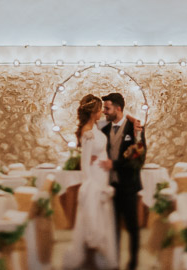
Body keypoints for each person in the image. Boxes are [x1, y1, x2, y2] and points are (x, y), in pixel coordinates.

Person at [61, 94, 118, 270]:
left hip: (102, 176)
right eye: (100, 109)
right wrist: (88, 185)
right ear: (94, 112)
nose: (102, 111)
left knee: (101, 215)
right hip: (93, 178)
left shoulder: (96, 127)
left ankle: (99, 255)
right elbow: (85, 162)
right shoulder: (87, 132)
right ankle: (90, 255)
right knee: (92, 217)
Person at [101, 92, 146, 270]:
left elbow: (138, 156)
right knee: (112, 228)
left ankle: (133, 262)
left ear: (118, 108)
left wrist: (115, 164)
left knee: (132, 226)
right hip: (111, 186)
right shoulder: (104, 130)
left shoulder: (134, 128)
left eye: (107, 107)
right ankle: (114, 262)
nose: (105, 111)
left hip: (128, 186)